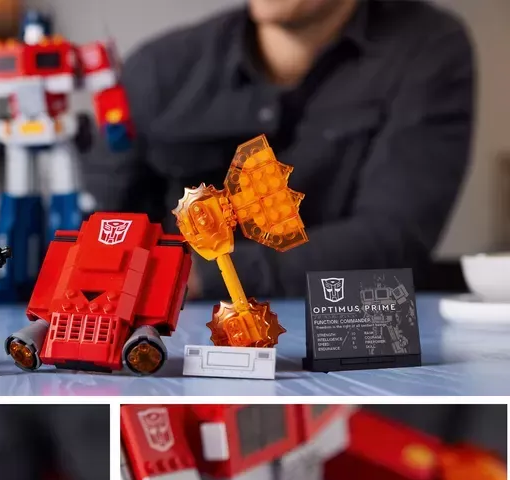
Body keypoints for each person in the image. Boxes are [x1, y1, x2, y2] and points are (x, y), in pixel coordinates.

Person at [83, 0, 475, 299]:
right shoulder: (159, 69)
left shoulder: (427, 48)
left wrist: (200, 274)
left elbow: (394, 239)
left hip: (350, 337)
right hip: (169, 333)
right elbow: (99, 224)